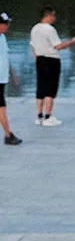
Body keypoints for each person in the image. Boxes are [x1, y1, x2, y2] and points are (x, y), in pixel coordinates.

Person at [30, 6, 75, 126]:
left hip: (40, 59)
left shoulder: (34, 28)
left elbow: (32, 45)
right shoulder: (49, 29)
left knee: (41, 88)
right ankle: (48, 116)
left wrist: (36, 58)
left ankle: (39, 116)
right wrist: (72, 41)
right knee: (50, 88)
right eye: (54, 15)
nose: (55, 18)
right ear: (48, 15)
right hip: (51, 60)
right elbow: (58, 46)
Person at [0, 12, 22, 145]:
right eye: (6, 24)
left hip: (2, 78)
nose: (8, 26)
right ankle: (8, 134)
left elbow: (5, 58)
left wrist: (12, 75)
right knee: (1, 106)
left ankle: (8, 134)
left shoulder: (2, 38)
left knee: (1, 106)